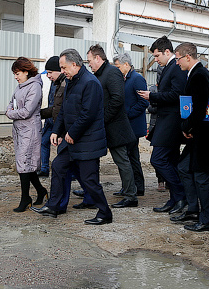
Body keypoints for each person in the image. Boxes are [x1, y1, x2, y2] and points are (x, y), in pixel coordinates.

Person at [34, 49, 112, 225]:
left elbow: (88, 114)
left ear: (75, 65)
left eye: (64, 67)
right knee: (59, 166)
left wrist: (71, 133)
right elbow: (63, 110)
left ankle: (105, 212)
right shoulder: (71, 81)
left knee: (89, 179)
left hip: (88, 141)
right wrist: (56, 131)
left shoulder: (90, 83)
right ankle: (54, 206)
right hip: (72, 139)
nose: (62, 71)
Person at [174, 43, 209, 231]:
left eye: (178, 58)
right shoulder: (198, 74)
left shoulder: (199, 75)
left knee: (201, 177)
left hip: (204, 135)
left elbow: (201, 107)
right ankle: (194, 209)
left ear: (188, 57)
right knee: (184, 167)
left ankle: (207, 221)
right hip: (199, 134)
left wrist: (186, 126)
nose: (177, 62)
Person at [138, 36, 187, 214]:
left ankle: (181, 195)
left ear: (168, 52)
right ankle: (175, 198)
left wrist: (152, 96)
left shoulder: (176, 68)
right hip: (167, 120)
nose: (156, 59)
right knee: (171, 161)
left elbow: (177, 95)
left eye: (157, 56)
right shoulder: (169, 67)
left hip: (171, 122)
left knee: (158, 159)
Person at [86, 45, 137, 208]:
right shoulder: (100, 74)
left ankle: (131, 196)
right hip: (105, 125)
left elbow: (117, 100)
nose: (89, 65)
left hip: (115, 126)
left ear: (98, 58)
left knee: (122, 160)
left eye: (90, 61)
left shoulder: (112, 72)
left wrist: (102, 119)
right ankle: (90, 190)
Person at [5, 57, 47, 212]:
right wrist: (11, 111)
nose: (16, 77)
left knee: (24, 163)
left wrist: (11, 113)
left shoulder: (34, 87)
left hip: (30, 130)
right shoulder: (20, 87)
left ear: (26, 71)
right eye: (15, 74)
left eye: (18, 73)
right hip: (19, 130)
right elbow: (11, 103)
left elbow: (27, 111)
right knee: (25, 163)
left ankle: (25, 198)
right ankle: (41, 191)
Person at [112, 53, 149, 198]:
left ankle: (136, 187)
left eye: (118, 66)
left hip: (133, 126)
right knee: (130, 157)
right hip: (128, 125)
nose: (117, 69)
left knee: (130, 158)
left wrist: (127, 115)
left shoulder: (137, 79)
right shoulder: (126, 78)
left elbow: (143, 102)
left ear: (126, 65)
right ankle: (132, 186)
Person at [38, 56, 63, 177]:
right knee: (43, 142)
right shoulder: (54, 83)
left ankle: (71, 172)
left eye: (50, 73)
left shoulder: (63, 84)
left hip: (57, 120)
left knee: (62, 148)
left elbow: (58, 107)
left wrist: (40, 113)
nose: (48, 76)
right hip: (50, 120)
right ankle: (44, 169)